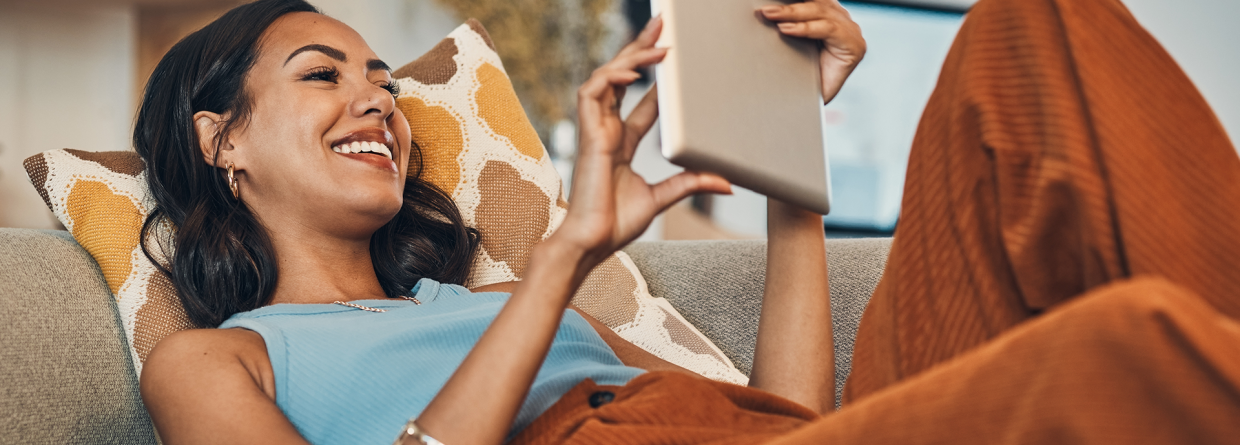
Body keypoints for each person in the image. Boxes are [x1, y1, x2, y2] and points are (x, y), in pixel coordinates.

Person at [136, 0, 1240, 443]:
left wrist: (784, 165)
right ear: (220, 139)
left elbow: (786, 419)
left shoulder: (484, 307)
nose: (375, 99)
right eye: (323, 75)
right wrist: (565, 255)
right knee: (1123, 348)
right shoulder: (216, 360)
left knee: (1030, 30)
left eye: (383, 80)